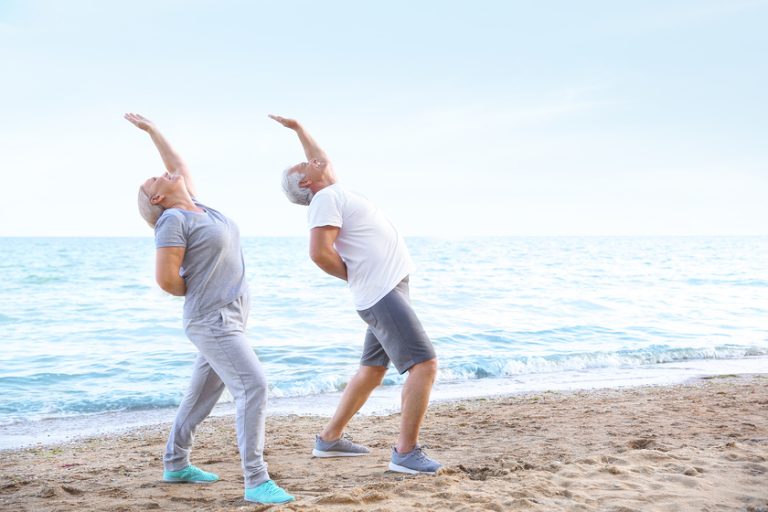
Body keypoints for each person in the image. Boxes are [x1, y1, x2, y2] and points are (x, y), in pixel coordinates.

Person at [125, 113, 294, 504]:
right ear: (157, 199)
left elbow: (177, 165)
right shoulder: (172, 220)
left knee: (201, 395)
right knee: (254, 386)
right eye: (153, 180)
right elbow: (167, 280)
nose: (162, 174)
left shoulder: (199, 208)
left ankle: (175, 463)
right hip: (212, 320)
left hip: (231, 318)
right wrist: (204, 292)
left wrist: (153, 131)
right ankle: (256, 480)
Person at [270, 114, 442, 475]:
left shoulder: (332, 190)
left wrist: (299, 129)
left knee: (372, 370)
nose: (314, 161)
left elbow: (321, 159)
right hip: (380, 292)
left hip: (386, 287)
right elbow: (320, 253)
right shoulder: (324, 199)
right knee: (424, 365)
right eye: (306, 164)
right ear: (306, 181)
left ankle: (329, 439)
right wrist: (356, 275)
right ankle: (405, 453)